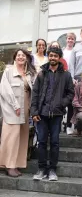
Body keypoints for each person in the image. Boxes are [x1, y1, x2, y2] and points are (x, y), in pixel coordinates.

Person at [31, 47, 74, 181]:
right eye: (50, 55)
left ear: (59, 57)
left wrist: (62, 103)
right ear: (48, 56)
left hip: (57, 114)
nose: (53, 58)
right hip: (42, 114)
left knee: (55, 142)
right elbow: (35, 94)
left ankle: (52, 170)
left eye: (55, 56)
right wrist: (34, 112)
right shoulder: (41, 74)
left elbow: (71, 93)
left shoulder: (66, 75)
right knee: (42, 142)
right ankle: (42, 169)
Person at [0, 49, 36, 177]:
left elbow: (32, 92)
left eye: (23, 55)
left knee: (22, 137)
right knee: (11, 137)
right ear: (15, 58)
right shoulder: (9, 71)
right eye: (18, 55)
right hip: (12, 109)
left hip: (25, 109)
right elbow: (4, 90)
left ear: (26, 58)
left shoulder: (29, 73)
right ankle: (9, 166)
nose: (21, 57)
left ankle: (17, 164)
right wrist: (15, 105)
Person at [63, 32, 76, 134]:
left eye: (72, 39)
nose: (70, 40)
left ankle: (69, 126)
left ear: (74, 41)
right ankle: (60, 125)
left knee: (71, 104)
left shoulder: (75, 51)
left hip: (72, 80)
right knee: (61, 102)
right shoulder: (62, 52)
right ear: (66, 40)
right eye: (69, 38)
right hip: (62, 80)